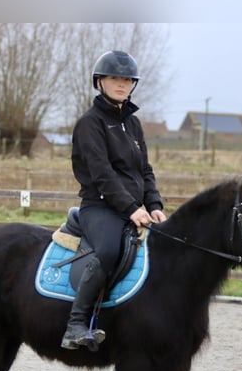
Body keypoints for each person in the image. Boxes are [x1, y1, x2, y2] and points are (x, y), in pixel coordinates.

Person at [61, 49, 167, 350]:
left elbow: (144, 170)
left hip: (133, 209)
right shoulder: (89, 124)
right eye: (114, 79)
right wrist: (132, 208)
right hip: (100, 207)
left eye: (127, 80)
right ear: (99, 82)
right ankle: (76, 325)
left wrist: (155, 205)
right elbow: (102, 174)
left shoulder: (133, 124)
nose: (122, 84)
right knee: (107, 250)